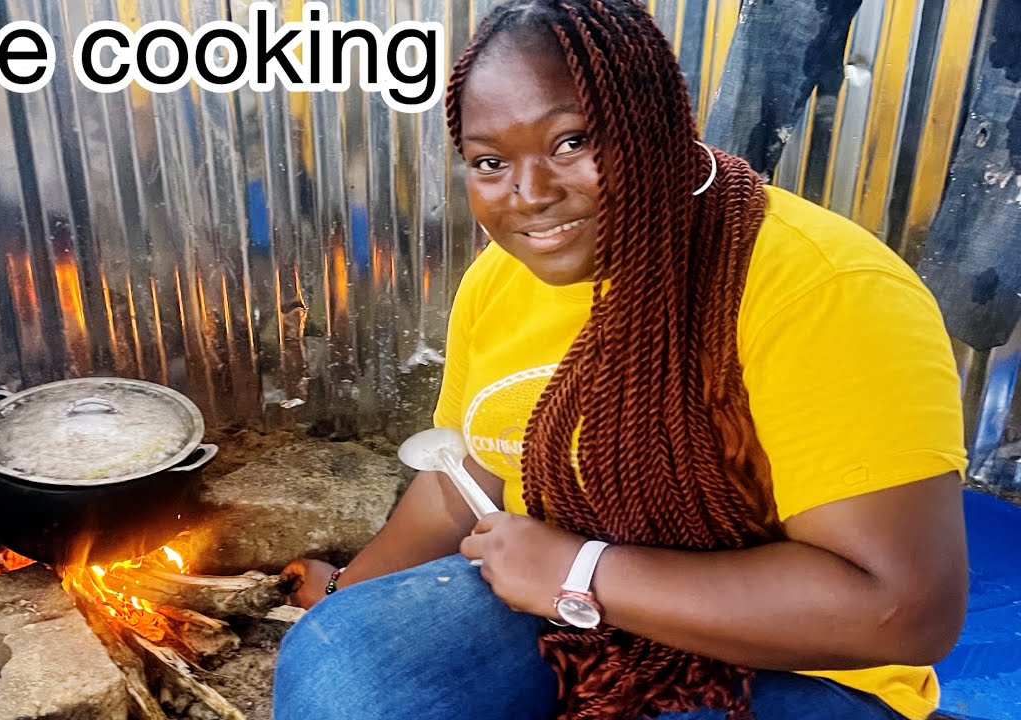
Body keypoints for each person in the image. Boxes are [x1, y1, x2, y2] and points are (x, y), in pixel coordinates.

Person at [271, 0, 970, 717]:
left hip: (805, 666)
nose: (531, 194)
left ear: (657, 123)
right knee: (341, 665)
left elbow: (902, 608)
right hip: (566, 616)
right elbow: (462, 480)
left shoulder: (827, 290)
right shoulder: (501, 279)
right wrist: (340, 594)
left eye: (572, 141)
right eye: (490, 162)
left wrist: (583, 571)